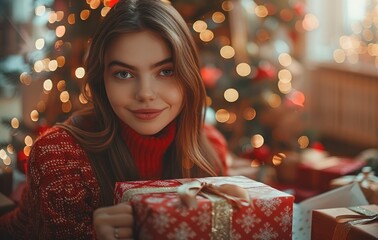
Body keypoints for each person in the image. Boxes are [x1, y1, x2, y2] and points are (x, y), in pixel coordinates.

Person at [0, 0, 229, 239]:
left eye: (166, 71)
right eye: (124, 74)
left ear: (188, 75)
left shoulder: (210, 146)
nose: (145, 93)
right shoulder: (58, 156)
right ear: (102, 81)